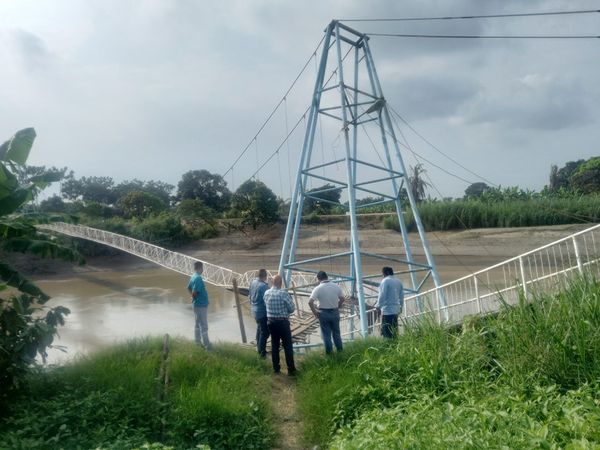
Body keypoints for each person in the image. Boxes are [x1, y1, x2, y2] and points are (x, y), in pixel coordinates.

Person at [264, 274, 297, 375]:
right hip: (282, 322)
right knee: (287, 346)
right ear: (281, 283)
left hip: (271, 322)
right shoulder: (283, 293)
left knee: (275, 345)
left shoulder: (267, 293)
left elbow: (265, 304)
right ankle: (291, 370)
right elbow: (292, 309)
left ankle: (276, 369)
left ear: (272, 282)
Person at [309, 271, 345, 354]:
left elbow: (310, 302)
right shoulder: (336, 286)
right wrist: (338, 306)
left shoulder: (318, 288)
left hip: (323, 313)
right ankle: (340, 352)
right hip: (335, 312)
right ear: (327, 277)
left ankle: (330, 354)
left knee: (326, 335)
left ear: (318, 279)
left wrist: (315, 313)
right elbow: (343, 299)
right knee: (336, 334)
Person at [187, 261, 212, 349]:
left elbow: (188, 288)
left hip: (196, 305)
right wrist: (193, 297)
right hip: (201, 305)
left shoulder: (193, 276)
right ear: (200, 268)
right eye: (202, 268)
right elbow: (195, 292)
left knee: (197, 324)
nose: (203, 270)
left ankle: (197, 342)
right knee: (204, 326)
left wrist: (192, 297)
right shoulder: (198, 278)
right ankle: (207, 345)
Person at [376, 266, 404, 339]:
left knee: (386, 332)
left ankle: (388, 344)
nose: (382, 275)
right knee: (394, 330)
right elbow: (401, 296)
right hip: (396, 310)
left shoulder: (385, 281)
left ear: (386, 273)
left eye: (383, 274)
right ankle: (395, 343)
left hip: (387, 310)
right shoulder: (398, 281)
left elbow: (382, 295)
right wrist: (401, 306)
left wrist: (378, 306)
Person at [249, 268, 270, 357]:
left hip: (254, 310)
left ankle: (259, 348)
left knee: (259, 329)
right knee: (265, 332)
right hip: (262, 312)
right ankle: (262, 353)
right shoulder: (264, 286)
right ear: (265, 276)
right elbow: (268, 300)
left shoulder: (253, 282)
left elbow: (249, 295)